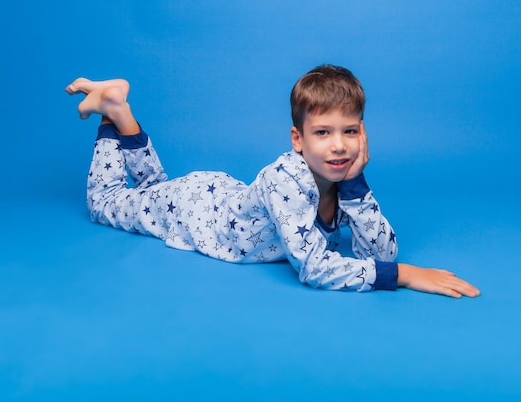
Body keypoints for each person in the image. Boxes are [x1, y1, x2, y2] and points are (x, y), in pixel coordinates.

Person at [66, 65, 480, 298]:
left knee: (150, 188)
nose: (339, 146)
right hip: (196, 214)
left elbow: (381, 250)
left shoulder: (341, 176)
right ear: (297, 139)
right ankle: (110, 117)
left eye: (350, 131)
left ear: (362, 133)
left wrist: (356, 184)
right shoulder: (287, 180)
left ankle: (120, 108)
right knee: (108, 204)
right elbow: (314, 269)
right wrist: (403, 275)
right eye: (323, 133)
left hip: (217, 193)